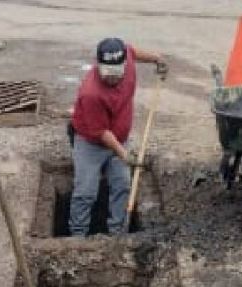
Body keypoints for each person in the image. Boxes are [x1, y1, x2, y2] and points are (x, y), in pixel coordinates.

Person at [69, 38, 168, 236]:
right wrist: (124, 154)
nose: (113, 79)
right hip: (91, 143)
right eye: (108, 74)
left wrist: (157, 58)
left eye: (117, 73)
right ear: (99, 66)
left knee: (122, 185)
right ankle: (77, 237)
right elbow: (101, 133)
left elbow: (131, 51)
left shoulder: (127, 62)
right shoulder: (91, 93)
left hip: (119, 138)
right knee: (86, 192)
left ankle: (118, 234)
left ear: (123, 65)